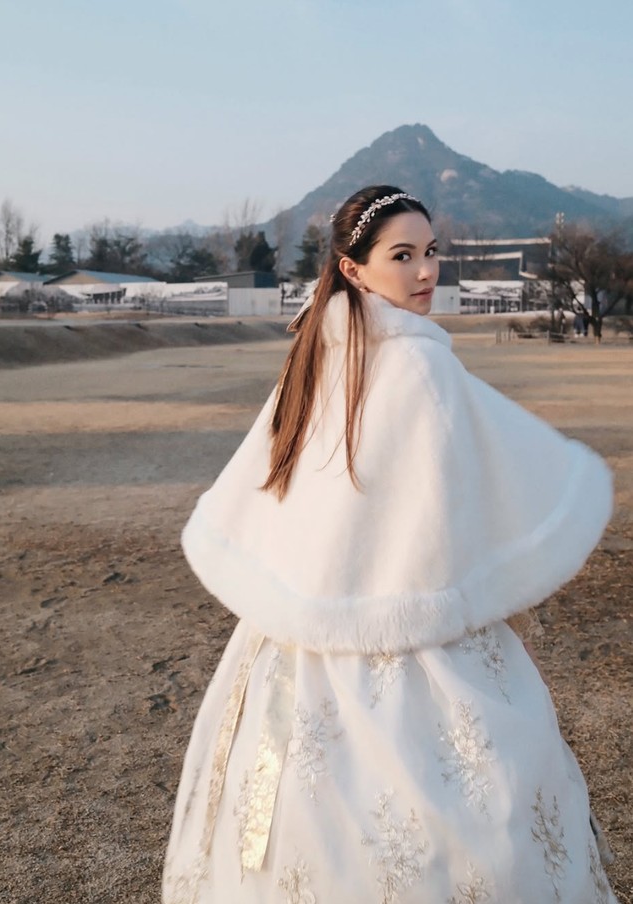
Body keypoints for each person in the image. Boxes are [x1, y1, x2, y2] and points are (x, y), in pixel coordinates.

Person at [162, 186, 618, 903]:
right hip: (420, 638)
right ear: (353, 270)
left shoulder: (313, 358)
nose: (425, 272)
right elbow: (479, 492)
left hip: (291, 654)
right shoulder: (418, 365)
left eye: (431, 253)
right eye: (401, 256)